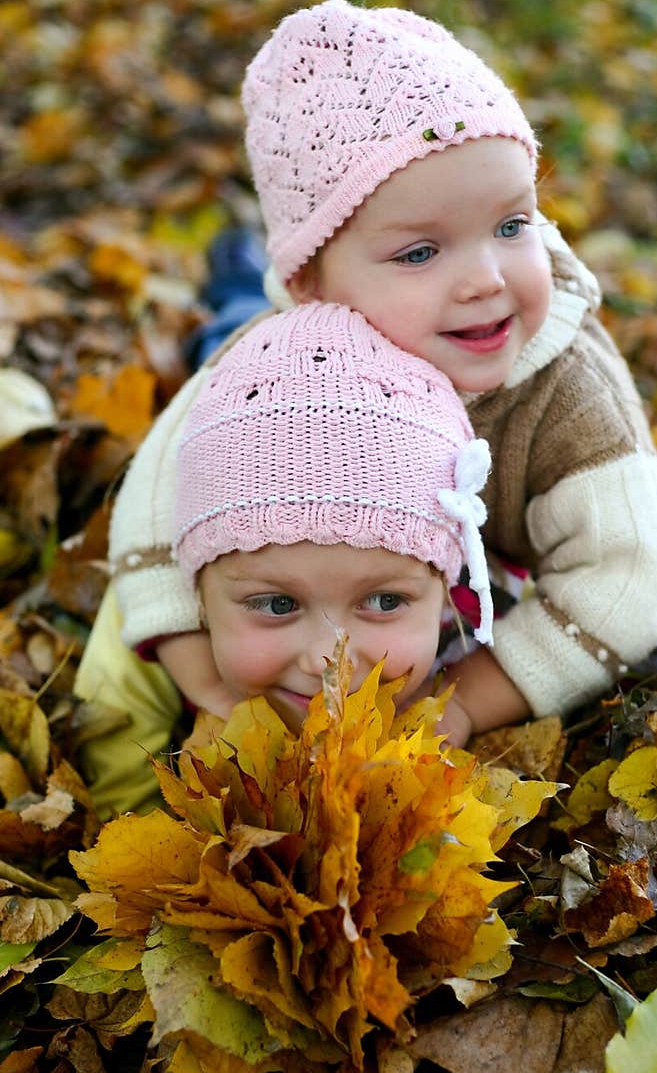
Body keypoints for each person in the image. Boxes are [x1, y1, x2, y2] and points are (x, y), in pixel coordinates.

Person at [77, 0, 657, 801]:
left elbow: (623, 583)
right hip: (275, 350)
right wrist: (210, 686)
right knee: (217, 333)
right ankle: (233, 270)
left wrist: (465, 699)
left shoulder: (566, 397)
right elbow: (152, 518)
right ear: (312, 280)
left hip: (446, 571)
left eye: (512, 225)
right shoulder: (268, 366)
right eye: (421, 250)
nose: (486, 280)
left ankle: (236, 268)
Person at [75, 299, 494, 816]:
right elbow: (115, 810)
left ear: (445, 593)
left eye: (384, 600)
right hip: (242, 357)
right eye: (276, 605)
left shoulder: (474, 631)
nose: (329, 660)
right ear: (199, 597)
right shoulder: (140, 644)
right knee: (226, 325)